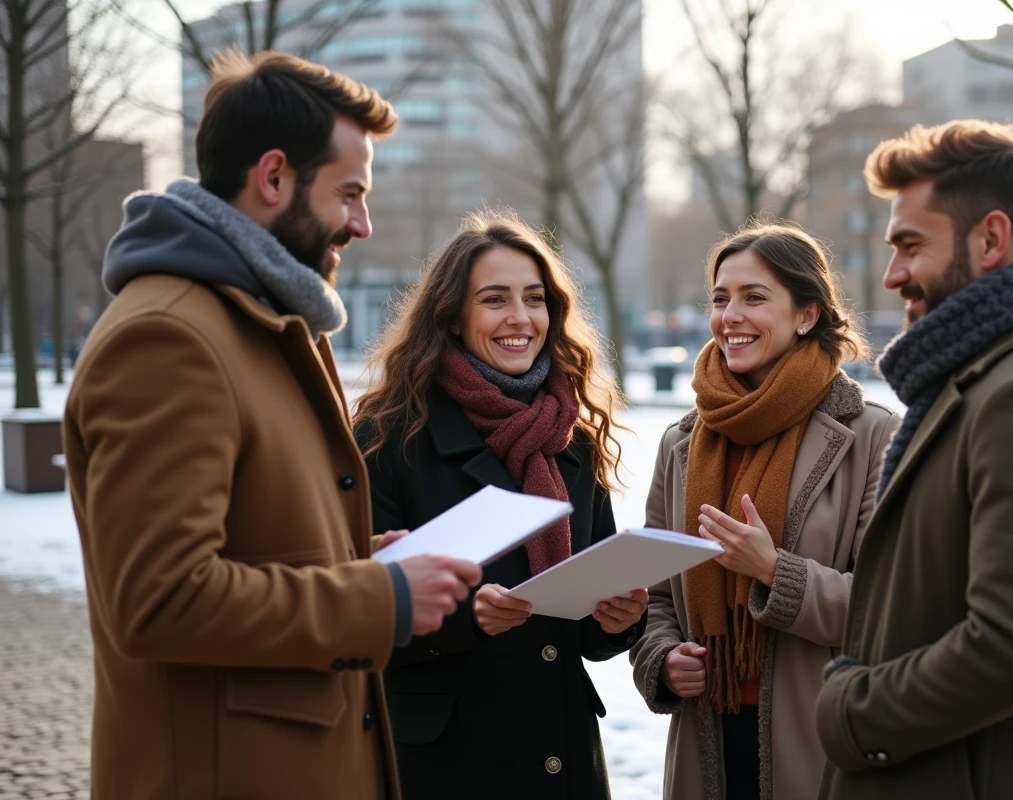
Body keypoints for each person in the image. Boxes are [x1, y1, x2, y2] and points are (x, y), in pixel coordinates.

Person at [62, 51, 481, 800]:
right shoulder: (170, 338)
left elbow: (249, 538)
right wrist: (379, 598)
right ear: (274, 177)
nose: (362, 222)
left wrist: (355, 556)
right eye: (349, 193)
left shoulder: (262, 320)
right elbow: (161, 599)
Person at [814, 121, 1013, 799]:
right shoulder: (994, 377)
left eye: (910, 245)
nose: (894, 274)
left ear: (991, 240)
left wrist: (851, 712)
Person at [353, 209, 648, 799]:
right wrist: (468, 618)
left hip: (560, 754)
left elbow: (589, 627)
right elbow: (353, 613)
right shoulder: (388, 437)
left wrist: (619, 619)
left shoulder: (574, 436)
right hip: (446, 761)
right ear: (452, 317)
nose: (521, 318)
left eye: (535, 298)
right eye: (494, 299)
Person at [629, 221, 901, 800]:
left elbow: (892, 609)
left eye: (755, 297)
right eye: (721, 298)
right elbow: (654, 596)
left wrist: (774, 571)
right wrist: (662, 659)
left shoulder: (871, 436)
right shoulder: (682, 444)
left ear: (806, 314)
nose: (731, 315)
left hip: (819, 737)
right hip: (707, 736)